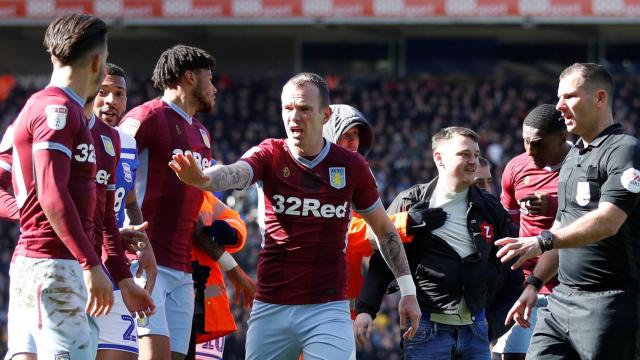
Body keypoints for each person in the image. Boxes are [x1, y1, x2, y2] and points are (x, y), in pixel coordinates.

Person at [169, 72, 421, 360]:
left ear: (325, 115)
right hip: (271, 307)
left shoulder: (351, 166)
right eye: (288, 108)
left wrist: (408, 291)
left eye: (303, 109)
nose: (294, 117)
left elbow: (385, 231)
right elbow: (235, 172)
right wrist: (203, 178)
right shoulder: (270, 153)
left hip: (327, 308)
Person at [497, 63, 640, 359]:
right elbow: (562, 227)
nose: (559, 106)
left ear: (600, 98)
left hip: (609, 301)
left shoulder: (625, 150)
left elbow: (609, 221)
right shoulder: (574, 158)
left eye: (570, 97)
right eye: (559, 97)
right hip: (560, 302)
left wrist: (541, 241)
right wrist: (533, 285)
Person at [355, 126, 522, 360]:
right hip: (425, 330)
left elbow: (514, 269)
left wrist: (492, 326)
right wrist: (366, 310)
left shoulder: (490, 208)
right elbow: (383, 259)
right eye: (464, 154)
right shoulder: (411, 202)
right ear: (439, 158)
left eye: (475, 154)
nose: (473, 161)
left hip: (477, 329)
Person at [6, 13, 113, 359]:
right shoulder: (60, 110)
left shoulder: (35, 105)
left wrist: (27, 214)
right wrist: (90, 263)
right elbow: (52, 196)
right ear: (98, 62)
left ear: (54, 56)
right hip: (57, 265)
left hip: (35, 263)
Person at [118, 45, 218, 360]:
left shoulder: (202, 133)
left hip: (182, 268)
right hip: (146, 261)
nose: (214, 88)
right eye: (210, 79)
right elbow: (112, 175)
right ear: (189, 77)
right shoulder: (146, 116)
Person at [492, 104, 570, 360]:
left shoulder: (583, 164)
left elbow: (600, 215)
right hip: (527, 285)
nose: (530, 150)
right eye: (525, 142)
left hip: (573, 284)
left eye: (537, 143)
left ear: (562, 137)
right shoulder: (516, 168)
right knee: (508, 354)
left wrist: (554, 204)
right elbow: (507, 222)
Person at [92, 63, 158, 360]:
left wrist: (145, 246)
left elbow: (128, 200)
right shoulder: (71, 139)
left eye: (120, 93)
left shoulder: (128, 142)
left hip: (117, 268)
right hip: (78, 268)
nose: (112, 101)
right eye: (103, 91)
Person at [187, 191, 255, 360]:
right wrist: (232, 267)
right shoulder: (162, 178)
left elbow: (233, 218)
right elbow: (196, 231)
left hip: (207, 310)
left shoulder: (206, 195)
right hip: (168, 292)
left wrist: (232, 233)